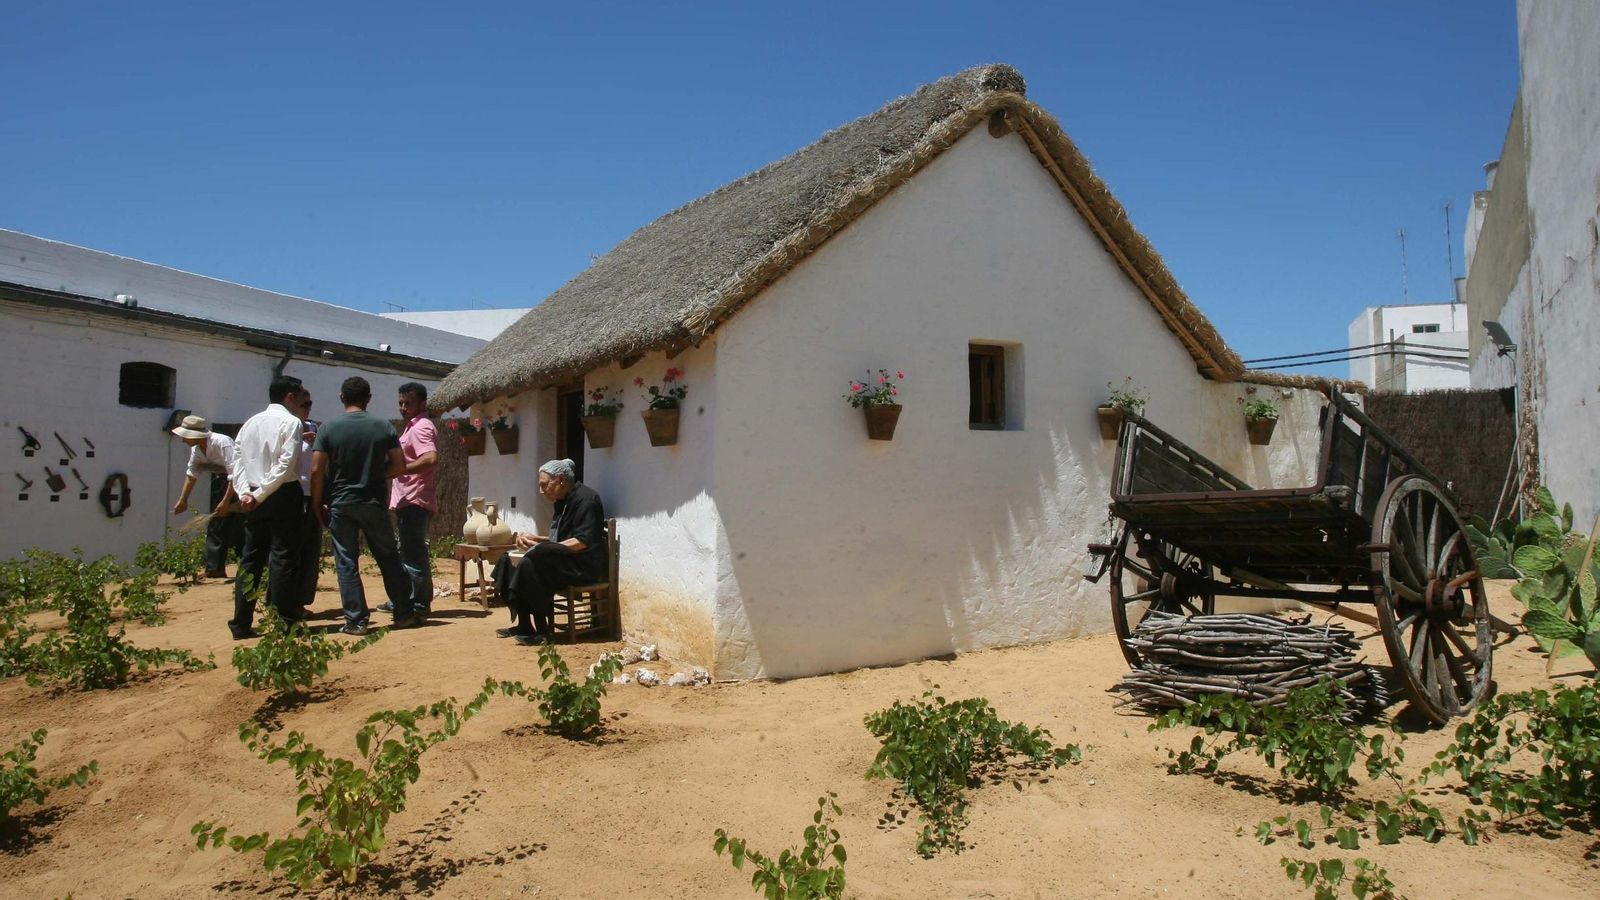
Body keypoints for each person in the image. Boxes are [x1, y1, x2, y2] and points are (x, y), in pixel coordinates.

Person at [311, 376, 414, 635]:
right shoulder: (383, 426)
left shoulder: (328, 428)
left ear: (342, 397)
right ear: (368, 398)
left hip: (341, 503)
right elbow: (399, 465)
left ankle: (356, 621)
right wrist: (376, 475)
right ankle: (404, 613)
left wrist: (317, 503)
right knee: (388, 557)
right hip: (373, 502)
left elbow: (316, 470)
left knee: (346, 561)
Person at [228, 376, 312, 640]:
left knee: (251, 558)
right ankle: (284, 623)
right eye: (300, 396)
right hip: (282, 494)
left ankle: (241, 623)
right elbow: (285, 465)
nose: (302, 402)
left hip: (254, 494)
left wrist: (246, 493)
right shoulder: (291, 422)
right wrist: (259, 494)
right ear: (290, 397)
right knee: (283, 558)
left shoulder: (251, 423)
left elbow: (236, 462)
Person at [491, 459, 606, 645]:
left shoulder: (586, 500)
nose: (541, 490)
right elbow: (559, 541)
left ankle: (543, 630)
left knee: (531, 563)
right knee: (508, 559)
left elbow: (582, 542)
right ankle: (524, 624)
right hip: (565, 560)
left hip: (582, 566)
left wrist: (542, 549)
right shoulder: (561, 501)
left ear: (560, 480)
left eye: (544, 485)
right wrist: (536, 540)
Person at [384, 382, 439, 616]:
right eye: (401, 403)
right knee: (407, 551)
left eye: (409, 403)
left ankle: (419, 603)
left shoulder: (421, 427)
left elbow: (430, 458)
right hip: (408, 499)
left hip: (415, 499)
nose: (403, 408)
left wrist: (400, 469)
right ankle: (406, 599)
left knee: (413, 553)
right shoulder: (412, 426)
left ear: (422, 403)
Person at [168, 414, 244, 578]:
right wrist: (183, 499)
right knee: (217, 523)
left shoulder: (222, 442)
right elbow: (192, 473)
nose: (183, 440)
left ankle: (244, 567)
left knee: (241, 523)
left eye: (185, 436)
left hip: (239, 484)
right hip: (222, 483)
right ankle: (214, 568)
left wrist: (226, 501)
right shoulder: (197, 450)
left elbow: (235, 474)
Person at [293, 414, 322, 608]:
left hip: (312, 494)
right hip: (293, 494)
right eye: (303, 404)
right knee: (292, 549)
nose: (306, 409)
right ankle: (287, 601)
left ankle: (301, 601)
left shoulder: (314, 428)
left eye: (308, 404)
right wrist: (298, 439)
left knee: (310, 550)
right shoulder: (286, 428)